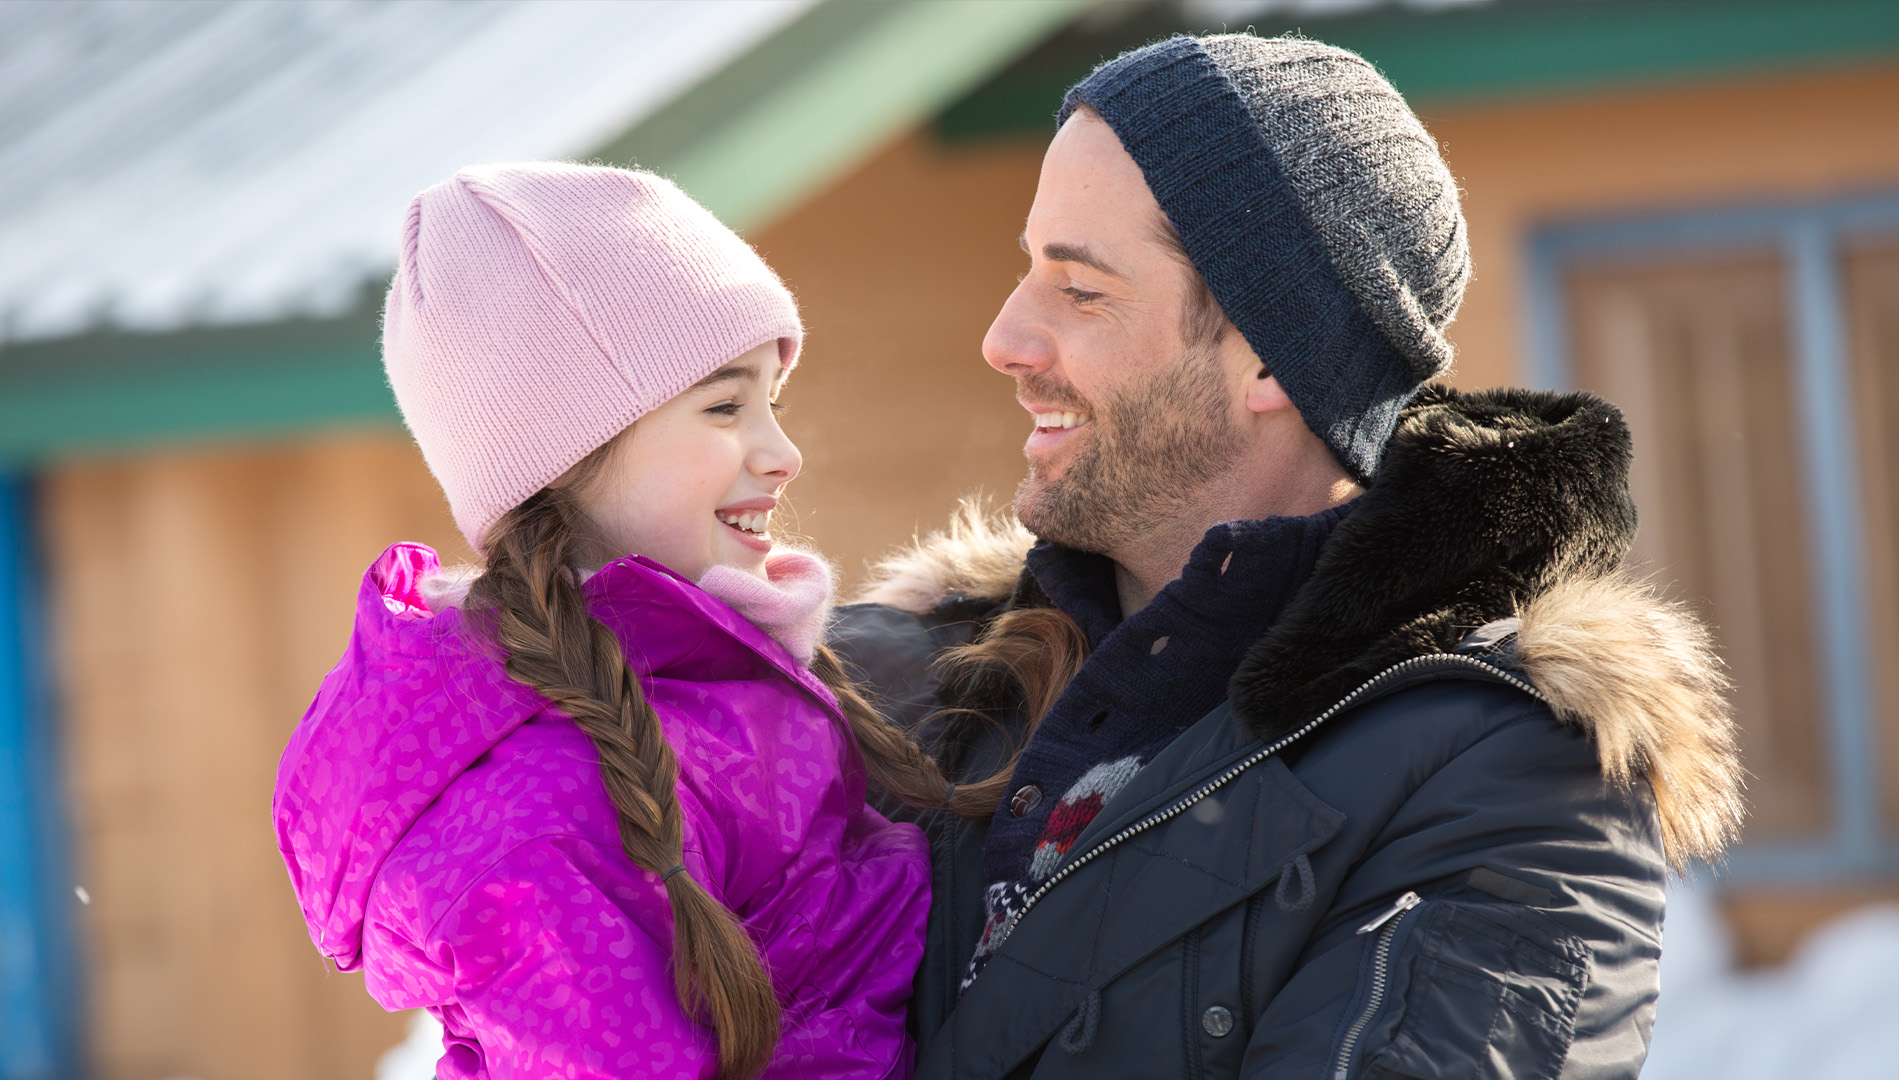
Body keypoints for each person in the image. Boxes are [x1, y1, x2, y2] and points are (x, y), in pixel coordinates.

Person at [830, 35, 1743, 1080]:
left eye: (1080, 292)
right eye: (1026, 272)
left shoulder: (1511, 784)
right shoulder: (887, 682)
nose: (1005, 339)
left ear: (1270, 355)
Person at [273, 163, 960, 1080]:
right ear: (565, 457)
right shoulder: (537, 820)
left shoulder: (716, 676)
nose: (784, 452)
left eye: (774, 402)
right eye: (724, 406)